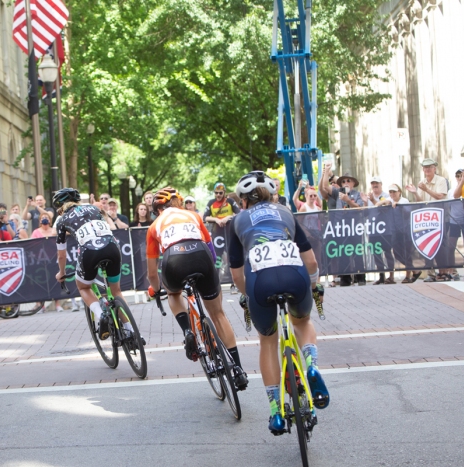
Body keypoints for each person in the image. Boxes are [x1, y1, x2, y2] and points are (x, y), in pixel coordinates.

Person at [226, 171, 328, 435]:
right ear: (271, 195)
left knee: (268, 341)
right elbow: (312, 263)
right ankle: (313, 367)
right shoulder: (285, 213)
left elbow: (237, 275)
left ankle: (276, 411)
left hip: (261, 282)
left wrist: (248, 296)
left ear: (243, 201)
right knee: (302, 322)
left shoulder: (236, 221)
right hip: (295, 274)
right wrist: (315, 287)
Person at [146, 187, 248, 389]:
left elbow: (151, 272)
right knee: (218, 314)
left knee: (173, 293)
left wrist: (156, 289)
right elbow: (211, 249)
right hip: (201, 255)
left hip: (173, 259)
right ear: (176, 203)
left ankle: (187, 332)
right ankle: (238, 369)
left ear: (157, 210)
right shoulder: (193, 215)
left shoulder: (154, 226)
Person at [53, 188, 131, 334]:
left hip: (90, 252)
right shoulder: (93, 208)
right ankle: (131, 330)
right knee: (116, 291)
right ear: (76, 201)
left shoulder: (61, 221)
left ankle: (101, 314)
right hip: (112, 247)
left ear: (60, 207)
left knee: (83, 287)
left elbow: (61, 255)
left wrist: (61, 273)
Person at [319, 164, 366, 285]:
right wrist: (326, 172)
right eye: (343, 181)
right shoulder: (337, 192)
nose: (345, 183)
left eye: (348, 181)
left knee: (357, 251)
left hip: (355, 227)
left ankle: (360, 278)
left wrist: (348, 201)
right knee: (343, 252)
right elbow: (325, 186)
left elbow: (360, 208)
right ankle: (345, 279)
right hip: (342, 228)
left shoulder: (357, 194)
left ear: (353, 183)